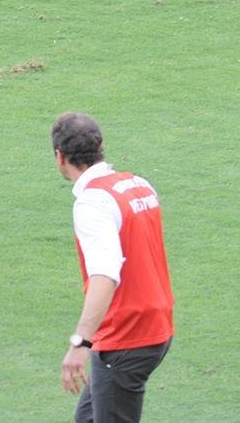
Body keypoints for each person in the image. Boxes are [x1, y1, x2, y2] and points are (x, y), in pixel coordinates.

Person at [53, 112, 174, 423]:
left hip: (126, 338)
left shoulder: (93, 203)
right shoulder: (138, 184)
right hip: (155, 324)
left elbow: (105, 275)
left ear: (60, 157)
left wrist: (80, 342)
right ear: (100, 147)